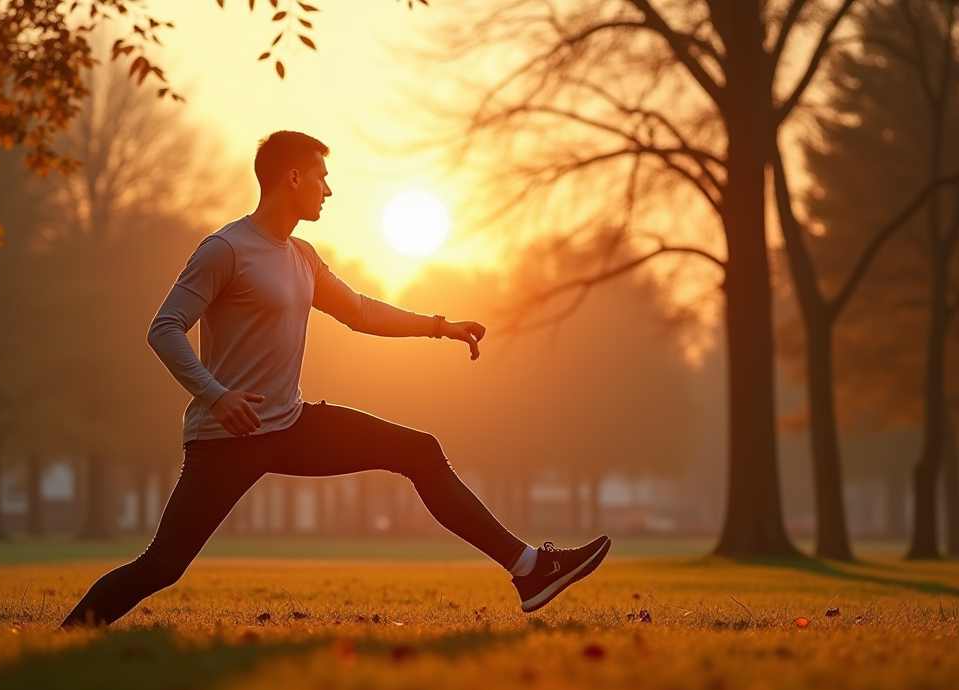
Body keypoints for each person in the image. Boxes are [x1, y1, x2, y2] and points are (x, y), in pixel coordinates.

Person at [60, 131, 610, 627]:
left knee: (419, 451)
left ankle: (529, 569)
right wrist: (215, 394)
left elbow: (362, 313)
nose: (328, 190)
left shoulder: (301, 256)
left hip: (291, 424)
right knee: (161, 566)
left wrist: (441, 326)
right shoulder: (226, 249)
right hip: (227, 438)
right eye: (321, 176)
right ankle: (67, 637)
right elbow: (165, 328)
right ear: (292, 177)